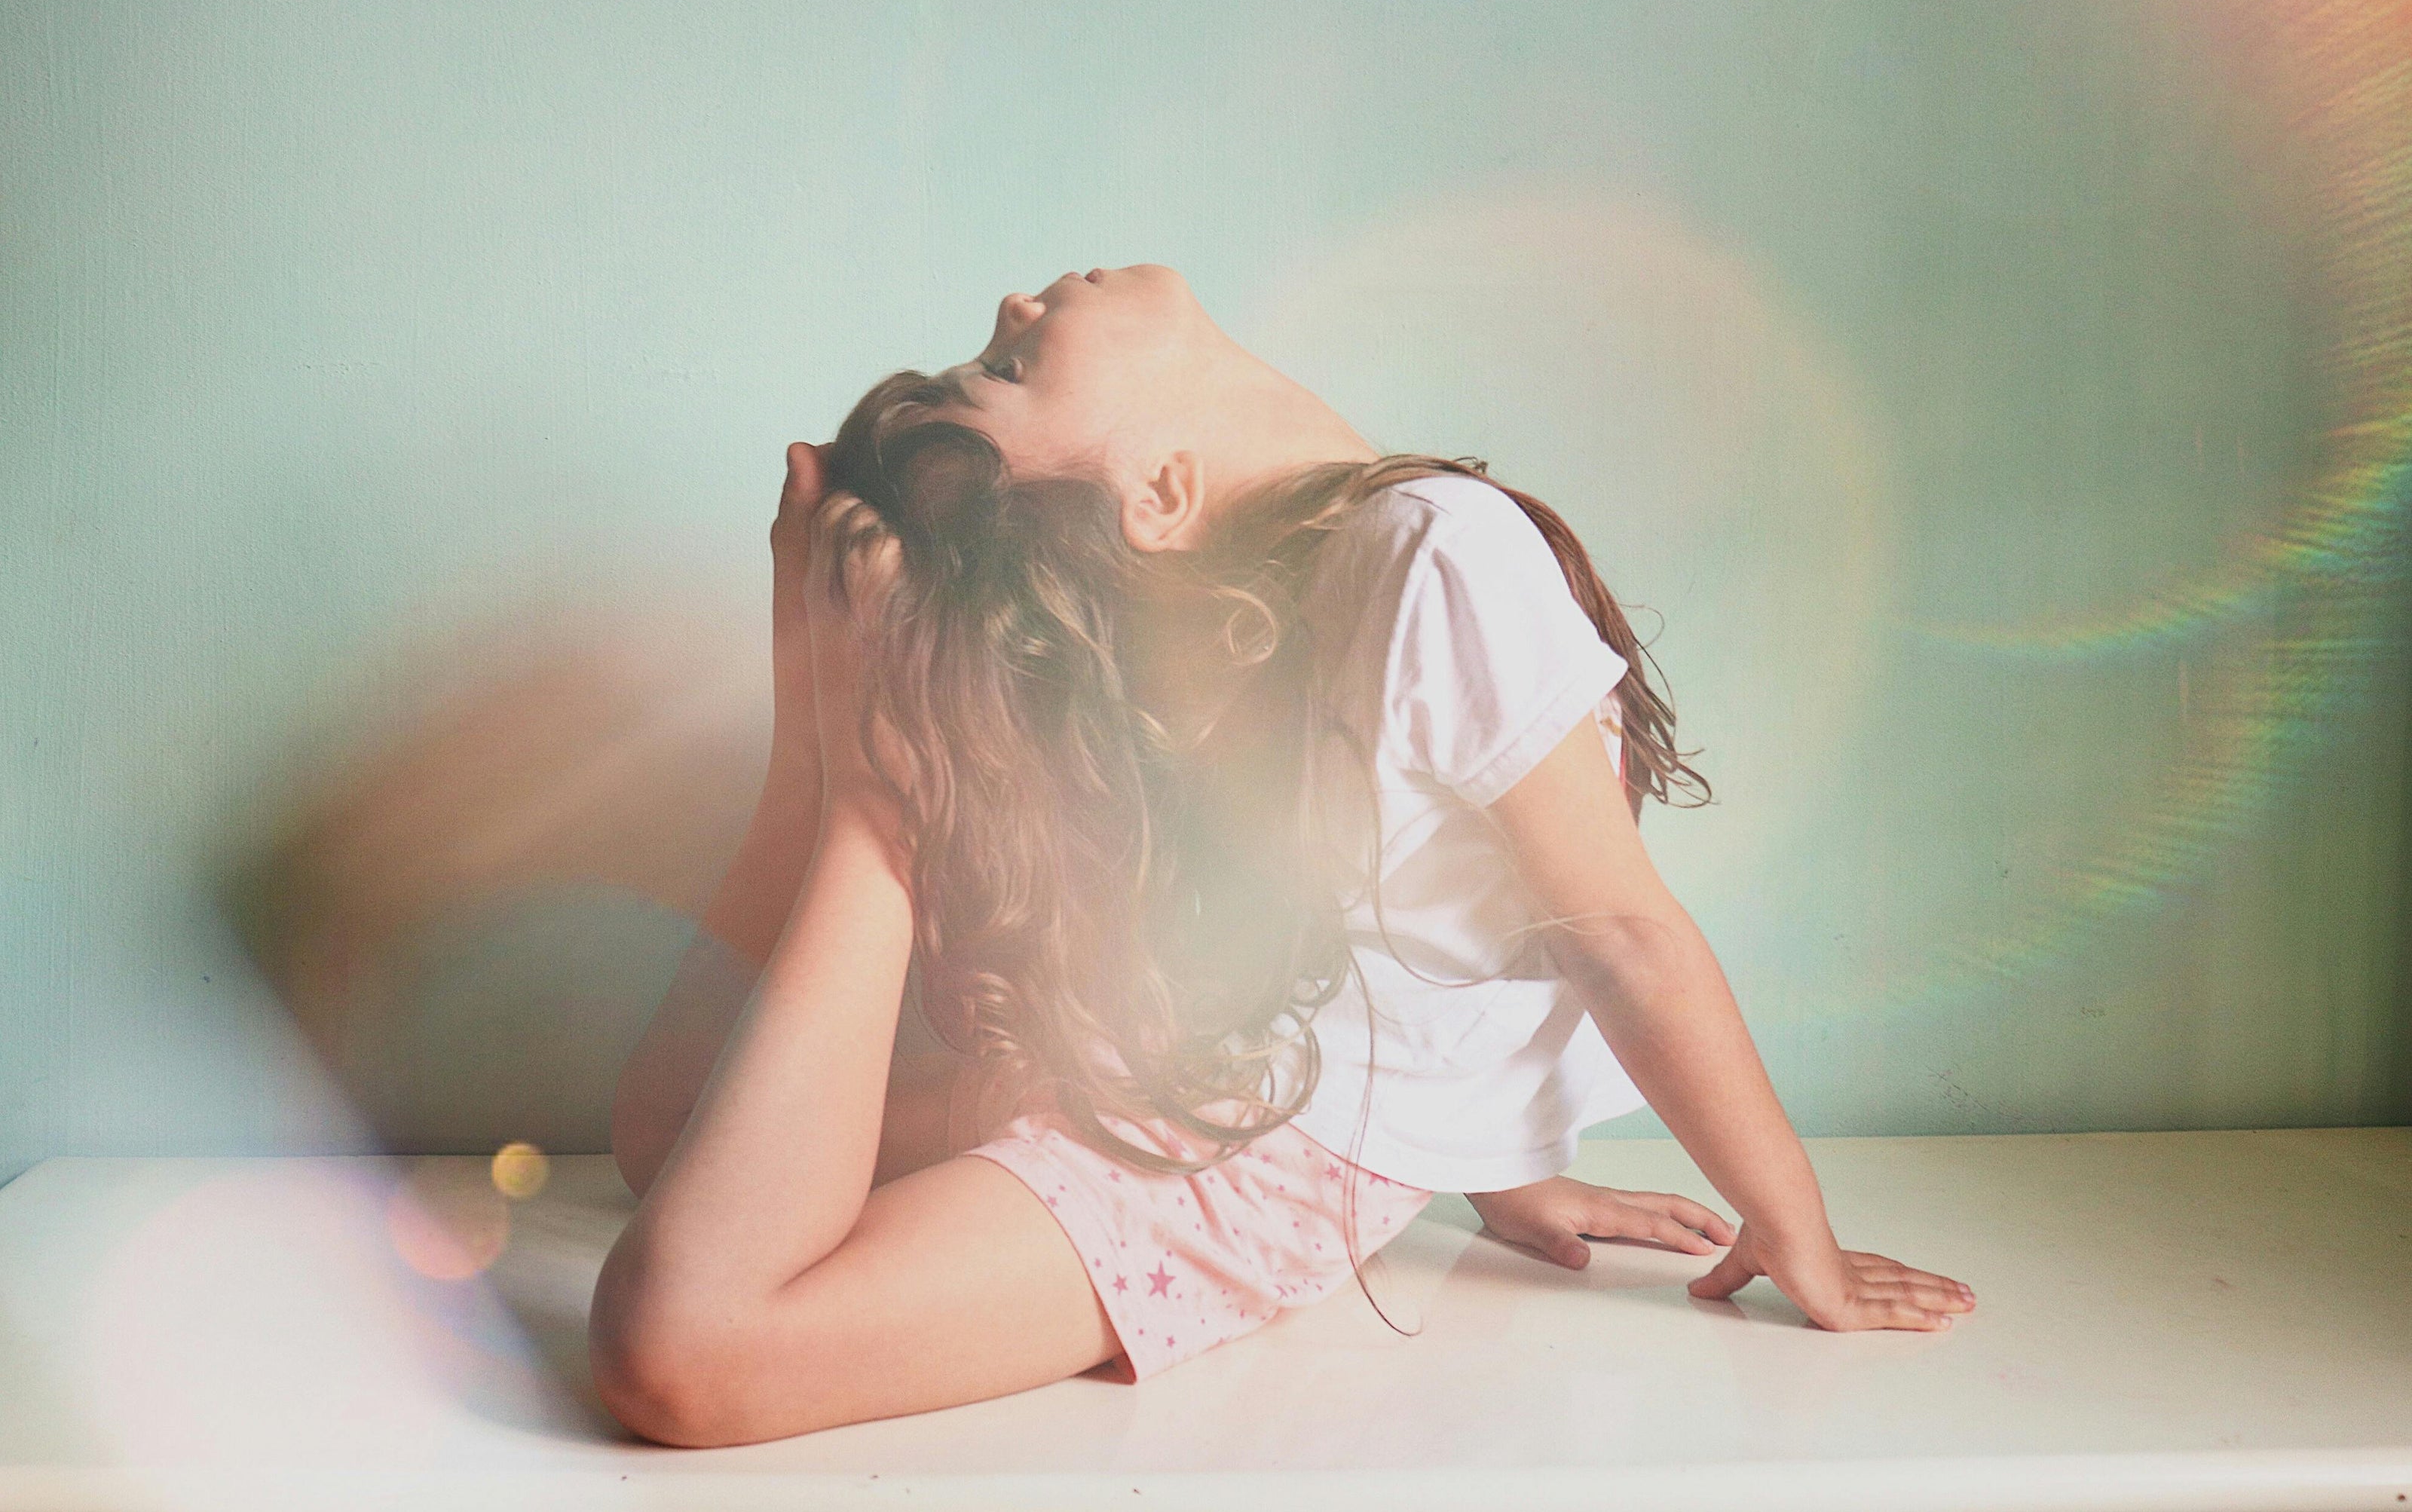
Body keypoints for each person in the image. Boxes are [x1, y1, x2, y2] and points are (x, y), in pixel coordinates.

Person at [591, 265, 1974, 1447]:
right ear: (1160, 489)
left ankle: (864, 779)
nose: (1017, 301)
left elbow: (1476, 915)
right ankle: (860, 786)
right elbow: (1607, 932)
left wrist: (1493, 1148)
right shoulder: (1425, 555)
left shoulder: (1394, 557)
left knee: (692, 1321)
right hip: (1227, 1117)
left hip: (1252, 1144)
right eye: (1009, 364)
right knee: (673, 1178)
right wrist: (1796, 1232)